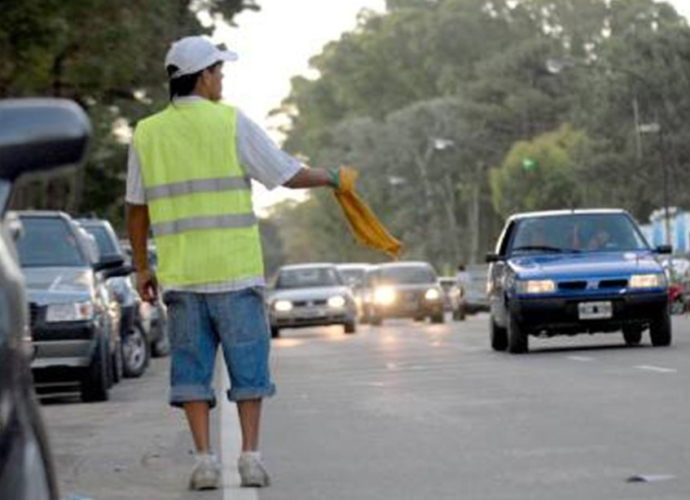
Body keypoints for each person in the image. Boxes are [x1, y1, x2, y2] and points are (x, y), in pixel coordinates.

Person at [126, 36, 342, 491]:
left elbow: (136, 208)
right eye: (219, 71)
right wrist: (332, 178)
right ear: (203, 76)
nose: (222, 79)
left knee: (190, 372)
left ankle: (204, 461)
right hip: (235, 273)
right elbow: (284, 173)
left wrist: (142, 269)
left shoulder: (146, 133)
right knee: (250, 370)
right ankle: (249, 458)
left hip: (183, 277)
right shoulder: (230, 123)